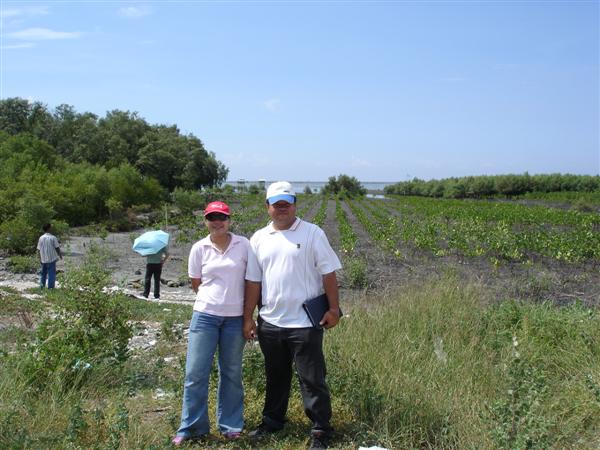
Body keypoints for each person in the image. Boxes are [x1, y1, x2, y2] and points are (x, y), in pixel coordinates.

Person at [243, 181, 342, 450]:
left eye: (286, 202)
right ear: (268, 207)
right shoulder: (259, 238)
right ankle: (273, 421)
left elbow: (328, 273)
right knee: (275, 375)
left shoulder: (313, 233)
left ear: (295, 204)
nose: (282, 208)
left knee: (312, 378)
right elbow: (253, 281)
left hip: (305, 324)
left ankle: (321, 429)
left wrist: (334, 309)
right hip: (271, 322)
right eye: (276, 204)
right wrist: (248, 317)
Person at [172, 201, 251, 446]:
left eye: (222, 217)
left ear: (229, 220)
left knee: (231, 372)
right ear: (205, 221)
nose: (217, 222)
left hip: (235, 319)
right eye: (212, 217)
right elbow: (197, 283)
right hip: (205, 316)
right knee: (195, 373)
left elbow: (251, 281)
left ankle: (230, 425)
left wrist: (248, 315)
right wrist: (213, 301)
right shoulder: (199, 248)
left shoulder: (244, 245)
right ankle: (192, 427)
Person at [37, 223, 63, 289]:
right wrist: (60, 255)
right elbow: (57, 247)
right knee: (51, 274)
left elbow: (38, 249)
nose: (52, 228)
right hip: (51, 259)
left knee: (43, 273)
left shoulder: (41, 238)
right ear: (49, 228)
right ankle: (50, 288)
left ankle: (42, 287)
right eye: (51, 227)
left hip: (43, 259)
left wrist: (39, 258)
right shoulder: (53, 237)